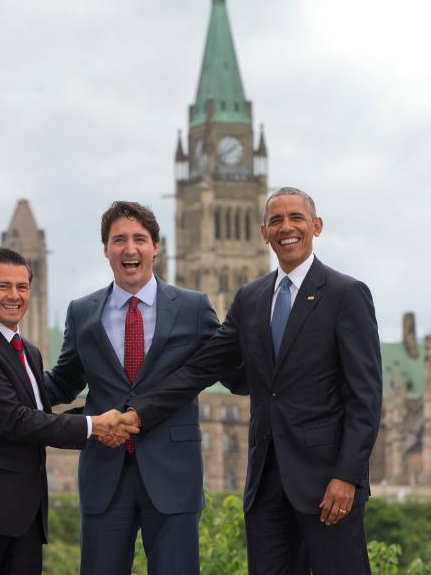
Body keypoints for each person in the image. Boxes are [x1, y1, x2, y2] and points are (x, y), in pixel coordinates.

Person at [128, 187, 383, 574]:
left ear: (316, 226)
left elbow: (365, 397)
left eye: (296, 218)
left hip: (328, 484)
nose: (287, 228)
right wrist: (137, 413)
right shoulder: (250, 298)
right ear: (264, 232)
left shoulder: (346, 294)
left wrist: (347, 476)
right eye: (276, 221)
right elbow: (202, 368)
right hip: (265, 485)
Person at [0, 247, 137, 575]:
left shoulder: (28, 351)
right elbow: (15, 421)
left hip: (25, 520)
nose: (15, 296)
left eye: (22, 287)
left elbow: (40, 412)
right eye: (4, 286)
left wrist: (111, 410)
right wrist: (93, 426)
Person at [43, 201, 219, 575]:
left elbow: (227, 363)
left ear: (156, 247)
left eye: (140, 239)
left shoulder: (194, 308)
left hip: (174, 477)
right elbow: (63, 381)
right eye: (118, 240)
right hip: (104, 475)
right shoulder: (82, 312)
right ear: (106, 249)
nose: (130, 249)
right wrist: (10, 377)